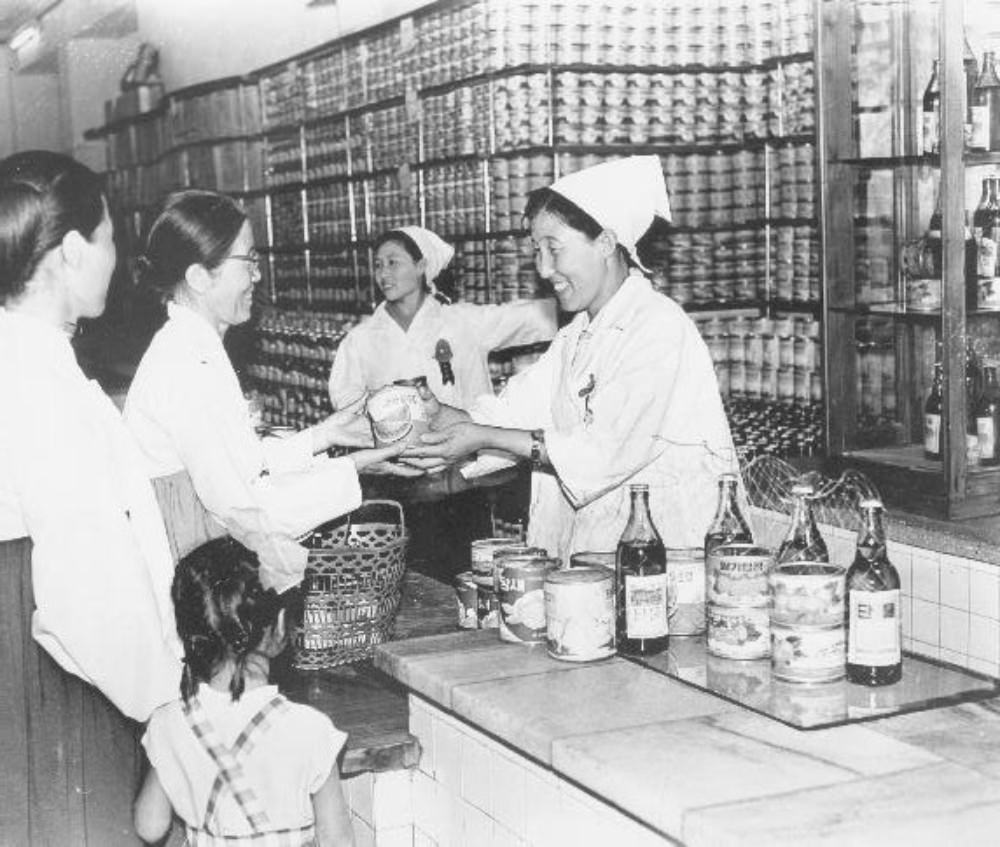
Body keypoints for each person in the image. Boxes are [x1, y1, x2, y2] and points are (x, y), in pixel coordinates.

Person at [402, 156, 739, 561]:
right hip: (606, 555)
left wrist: (484, 436)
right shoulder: (577, 335)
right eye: (536, 251)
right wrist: (439, 414)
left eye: (554, 249)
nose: (544, 269)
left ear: (606, 243)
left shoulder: (658, 328)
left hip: (672, 555)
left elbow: (602, 453)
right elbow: (511, 413)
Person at [124, 190, 410, 592]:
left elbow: (241, 462)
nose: (258, 277)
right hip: (189, 557)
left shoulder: (196, 348)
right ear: (198, 276)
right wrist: (353, 468)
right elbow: (243, 507)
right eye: (249, 262)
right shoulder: (184, 366)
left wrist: (325, 436)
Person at [0, 150, 182, 722]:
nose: (116, 258)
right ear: (73, 252)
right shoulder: (37, 382)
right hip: (67, 697)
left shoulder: (35, 359)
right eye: (108, 238)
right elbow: (87, 572)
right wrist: (162, 705)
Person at [134, 537, 355, 846]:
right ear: (280, 625)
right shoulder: (309, 730)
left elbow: (149, 825)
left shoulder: (167, 723)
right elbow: (339, 844)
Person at [328, 224, 557, 413]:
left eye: (393, 263)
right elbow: (345, 402)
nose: (383, 274)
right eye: (377, 265)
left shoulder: (462, 322)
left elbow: (529, 318)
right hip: (395, 463)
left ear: (421, 266)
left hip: (466, 460)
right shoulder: (360, 339)